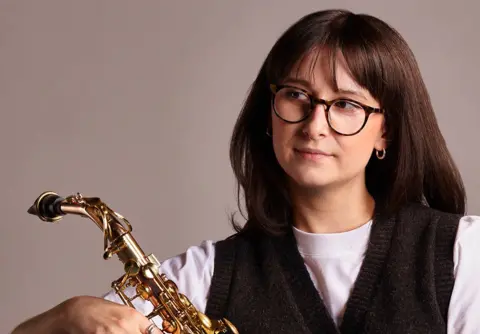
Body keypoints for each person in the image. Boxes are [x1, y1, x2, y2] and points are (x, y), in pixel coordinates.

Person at [11, 8, 480, 334]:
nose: (315, 125)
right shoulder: (203, 277)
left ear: (385, 133)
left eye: (345, 104)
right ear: (269, 112)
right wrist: (68, 316)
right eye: (296, 95)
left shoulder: (462, 254)